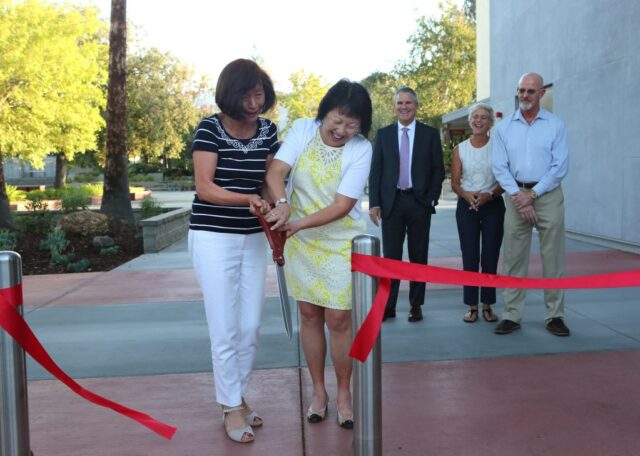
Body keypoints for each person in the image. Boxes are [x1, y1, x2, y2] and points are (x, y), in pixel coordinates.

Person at [264, 79, 372, 430]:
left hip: (340, 240)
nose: (342, 130)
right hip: (301, 239)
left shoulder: (361, 149)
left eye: (351, 124)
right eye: (337, 120)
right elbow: (276, 171)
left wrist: (298, 223)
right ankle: (318, 391)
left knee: (339, 319)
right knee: (309, 315)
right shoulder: (302, 129)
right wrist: (283, 206)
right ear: (325, 112)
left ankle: (343, 392)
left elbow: (343, 205)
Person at [188, 59, 279, 444]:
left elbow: (271, 179)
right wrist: (248, 199)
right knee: (224, 327)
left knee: (251, 326)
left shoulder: (269, 130)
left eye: (259, 93)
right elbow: (205, 187)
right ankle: (230, 406)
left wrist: (281, 203)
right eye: (247, 94)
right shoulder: (210, 128)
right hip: (213, 236)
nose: (255, 102)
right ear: (230, 94)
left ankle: (236, 395)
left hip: (254, 236)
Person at [492, 72, 570, 337]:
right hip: (515, 195)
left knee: (554, 257)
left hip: (547, 195)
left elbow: (560, 167)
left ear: (541, 94)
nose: (524, 95)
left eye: (530, 91)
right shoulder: (503, 128)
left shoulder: (555, 125)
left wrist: (533, 195)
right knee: (513, 257)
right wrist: (520, 197)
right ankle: (512, 315)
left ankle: (555, 316)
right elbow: (499, 168)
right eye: (521, 90)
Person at [368, 87, 445, 322]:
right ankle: (389, 305)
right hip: (392, 204)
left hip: (419, 203)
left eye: (408, 103)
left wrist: (431, 198)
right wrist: (374, 203)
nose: (404, 107)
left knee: (418, 256)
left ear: (416, 106)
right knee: (391, 257)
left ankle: (416, 305)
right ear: (394, 106)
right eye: (400, 103)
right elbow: (376, 172)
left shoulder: (429, 134)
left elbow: (437, 169)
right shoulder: (383, 135)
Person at [451, 103, 505, 323]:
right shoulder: (460, 149)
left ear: (490, 122)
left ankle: (488, 306)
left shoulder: (499, 148)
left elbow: (504, 180)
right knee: (470, 256)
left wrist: (489, 195)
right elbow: (455, 183)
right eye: (475, 117)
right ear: (470, 120)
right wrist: (467, 196)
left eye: (484, 117)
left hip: (492, 205)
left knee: (490, 256)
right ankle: (472, 306)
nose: (479, 120)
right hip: (467, 206)